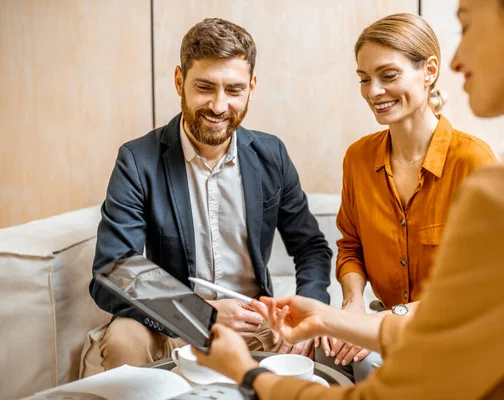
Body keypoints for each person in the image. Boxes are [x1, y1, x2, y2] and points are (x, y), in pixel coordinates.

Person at [192, 0, 504, 398]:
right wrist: (337, 315)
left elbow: (434, 343)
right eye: (364, 78)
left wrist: (249, 375)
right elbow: (456, 321)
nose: (458, 60)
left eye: (467, 23)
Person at [88, 18, 332, 371]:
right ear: (178, 81)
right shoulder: (137, 160)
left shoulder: (271, 154)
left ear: (252, 86)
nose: (219, 106)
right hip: (173, 323)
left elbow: (311, 248)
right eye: (205, 87)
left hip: (253, 325)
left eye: (234, 90)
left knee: (329, 342)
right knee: (124, 337)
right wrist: (201, 313)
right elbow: (112, 271)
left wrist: (312, 311)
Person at [317, 13, 496, 381]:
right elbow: (350, 246)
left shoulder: (473, 161)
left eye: (388, 75)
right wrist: (352, 306)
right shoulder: (358, 158)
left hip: (458, 335)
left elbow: (483, 283)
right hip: (385, 328)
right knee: (323, 352)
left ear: (429, 70)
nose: (373, 92)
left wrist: (383, 321)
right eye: (364, 80)